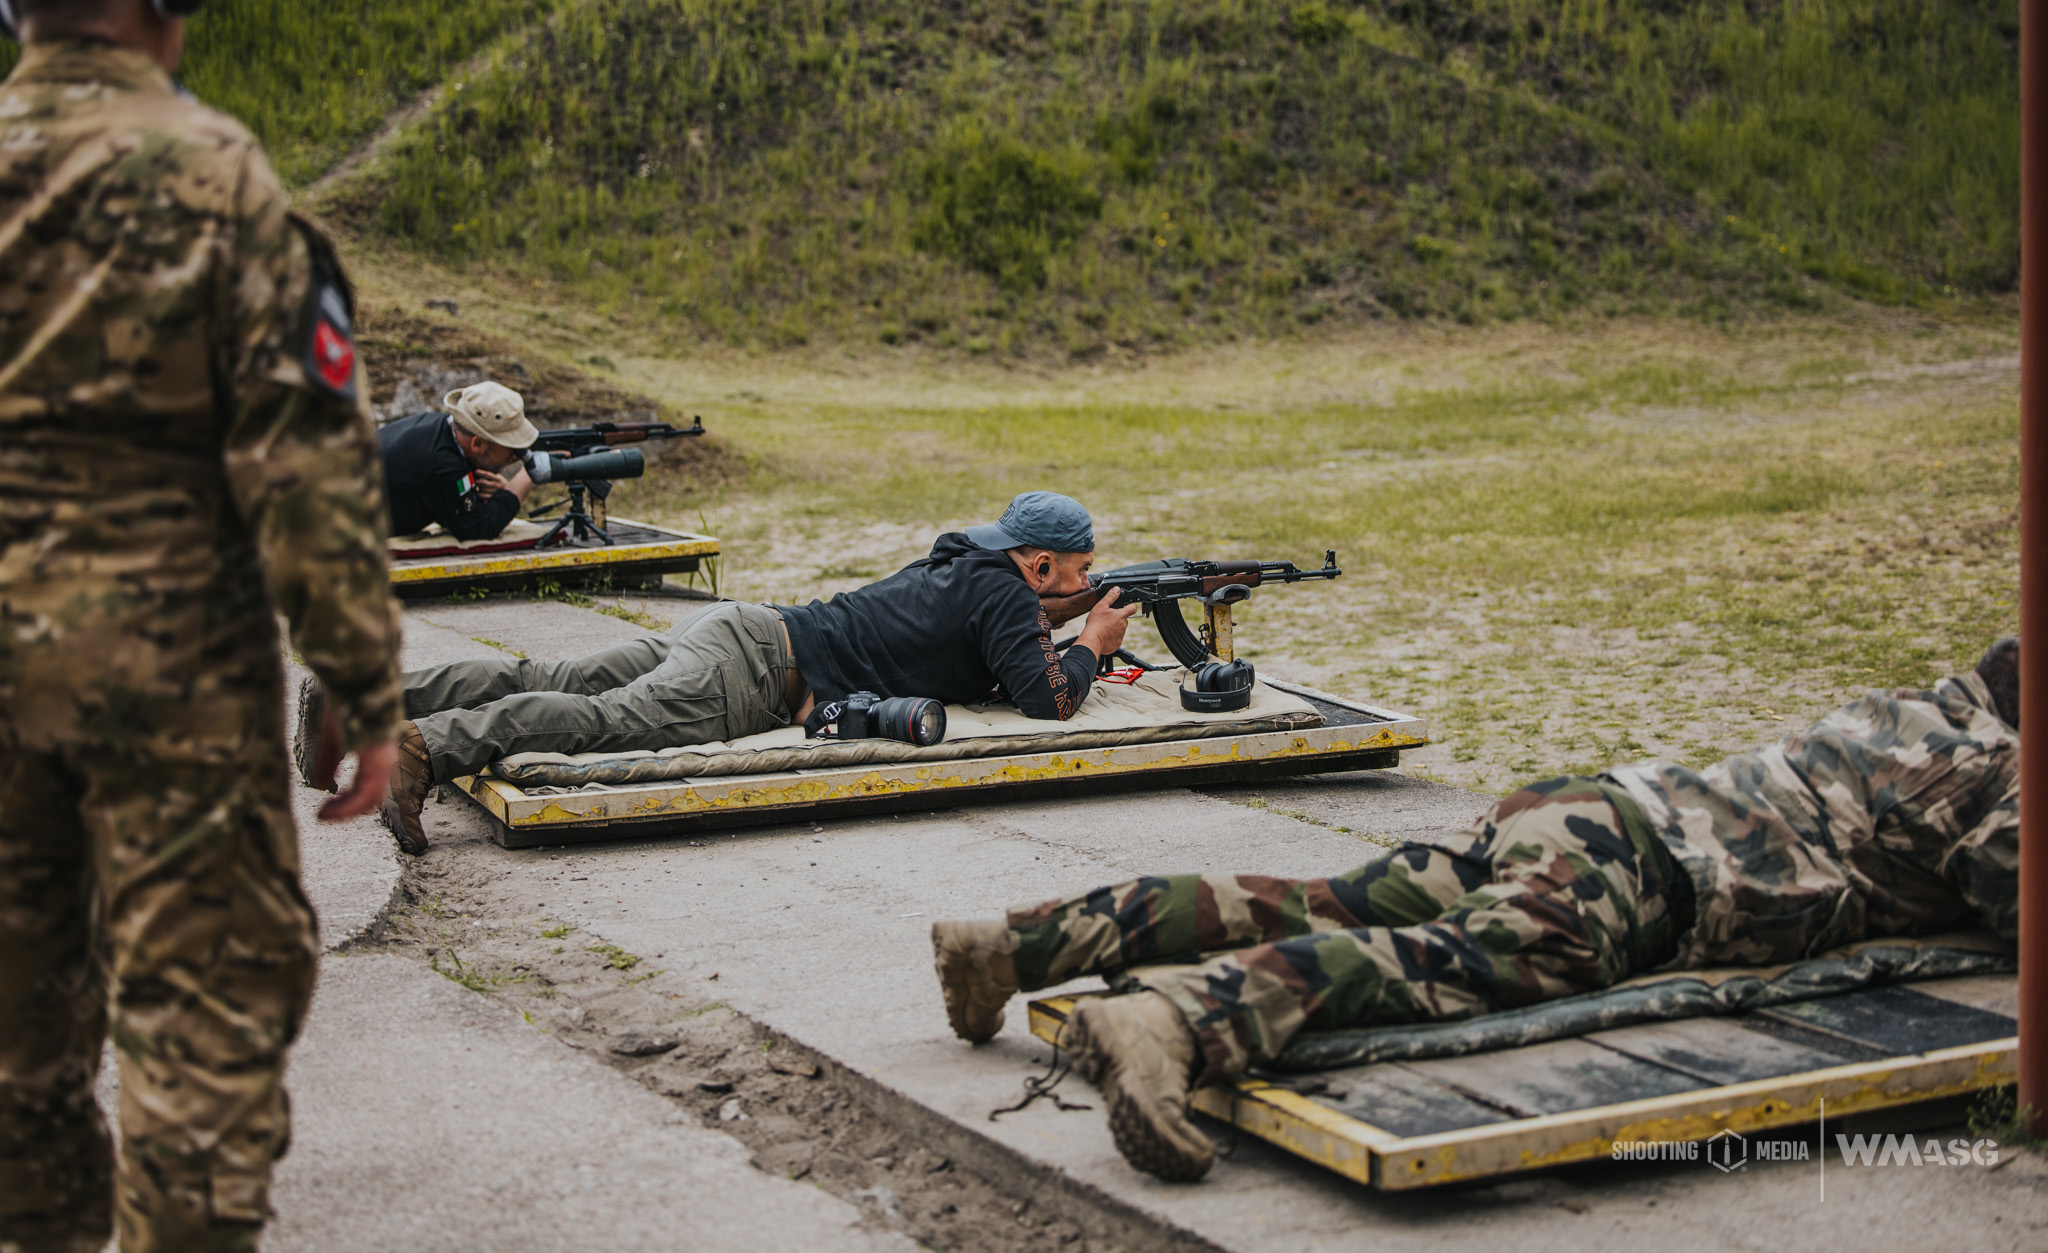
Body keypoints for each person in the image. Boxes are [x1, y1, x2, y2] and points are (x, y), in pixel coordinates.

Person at [931, 640, 2022, 1182]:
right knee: (1440, 964)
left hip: (1588, 813)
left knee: (1312, 899)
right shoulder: (1994, 766)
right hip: (1647, 881)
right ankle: (1171, 1023)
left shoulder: (1926, 709)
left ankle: (1014, 944)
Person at [0, 0, 407, 1248]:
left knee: (13, 1080)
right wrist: (357, 677)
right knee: (199, 1058)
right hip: (175, 686)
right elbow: (306, 453)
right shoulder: (219, 175)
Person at [297, 490, 1142, 854]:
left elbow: (995, 623)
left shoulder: (971, 562)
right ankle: (424, 745)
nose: (1083, 582)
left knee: (552, 671)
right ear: (1035, 566)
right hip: (751, 674)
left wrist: (1064, 613)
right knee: (599, 722)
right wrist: (1093, 640)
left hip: (740, 627)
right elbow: (1048, 698)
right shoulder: (1011, 595)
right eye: (1075, 570)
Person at [378, 380, 538, 541]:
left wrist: (498, 495)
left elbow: (451, 510)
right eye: (512, 446)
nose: (517, 455)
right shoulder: (440, 463)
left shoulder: (441, 430)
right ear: (477, 444)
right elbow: (478, 529)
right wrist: (528, 475)